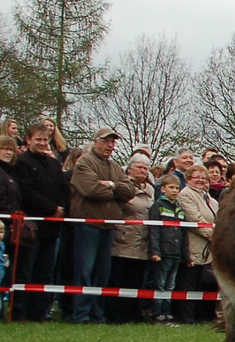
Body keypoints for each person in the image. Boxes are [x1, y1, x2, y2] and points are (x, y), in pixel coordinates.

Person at [67, 129, 143, 324]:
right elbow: (91, 189)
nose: (110, 145)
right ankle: (81, 314)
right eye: (106, 141)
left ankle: (97, 313)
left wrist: (111, 185)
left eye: (112, 142)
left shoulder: (115, 166)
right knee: (85, 271)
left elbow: (129, 191)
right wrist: (115, 190)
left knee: (102, 273)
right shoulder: (84, 162)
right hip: (88, 224)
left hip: (108, 226)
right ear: (96, 142)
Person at [14, 121, 66, 321]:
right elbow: (26, 192)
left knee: (44, 272)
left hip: (52, 227)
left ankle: (39, 312)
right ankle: (20, 311)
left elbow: (64, 188)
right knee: (26, 270)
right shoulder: (22, 163)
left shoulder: (53, 163)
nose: (43, 143)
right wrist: (51, 208)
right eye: (39, 139)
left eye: (46, 139)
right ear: (28, 140)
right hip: (32, 226)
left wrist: (61, 208)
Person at [107, 155, 157, 323]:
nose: (142, 171)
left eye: (145, 168)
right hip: (124, 238)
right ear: (129, 169)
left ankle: (132, 312)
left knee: (136, 279)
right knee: (120, 277)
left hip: (142, 240)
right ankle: (115, 313)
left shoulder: (151, 189)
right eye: (139, 167)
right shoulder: (123, 187)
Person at [174, 167, 220, 325]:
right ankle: (186, 317)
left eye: (204, 178)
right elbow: (195, 220)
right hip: (192, 244)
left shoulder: (210, 199)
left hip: (208, 248)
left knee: (203, 283)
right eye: (197, 177)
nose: (201, 180)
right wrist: (214, 236)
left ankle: (202, 316)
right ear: (188, 179)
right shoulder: (185, 195)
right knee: (188, 282)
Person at [147, 172, 186, 324]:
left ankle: (166, 311)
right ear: (163, 189)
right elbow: (154, 230)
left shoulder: (179, 208)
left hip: (176, 252)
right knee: (160, 284)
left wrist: (185, 254)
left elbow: (183, 233)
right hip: (163, 252)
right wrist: (155, 251)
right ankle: (156, 312)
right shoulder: (158, 206)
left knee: (170, 285)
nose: (175, 191)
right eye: (171, 187)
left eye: (177, 188)